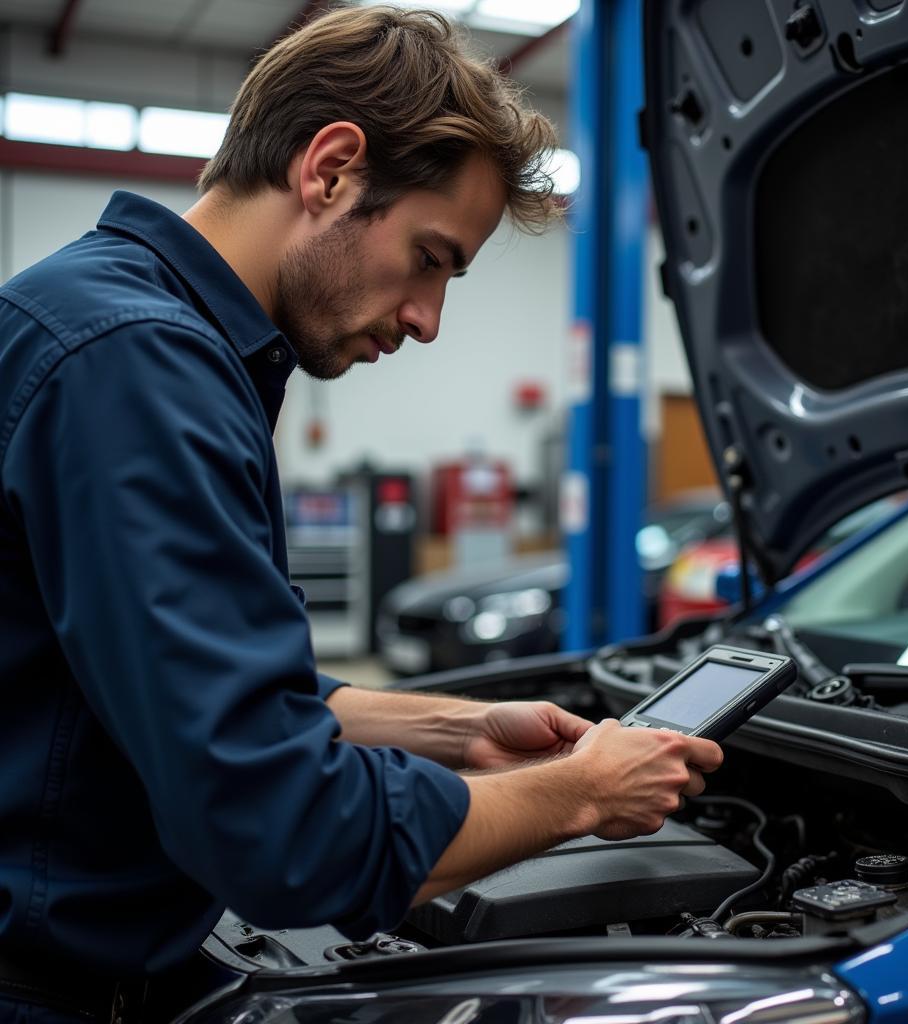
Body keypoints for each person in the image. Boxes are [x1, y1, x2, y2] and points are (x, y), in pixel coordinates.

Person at [0, 5, 723, 1021]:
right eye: (431, 258)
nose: (427, 320)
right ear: (330, 169)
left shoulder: (121, 330)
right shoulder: (136, 369)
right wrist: (582, 793)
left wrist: (460, 728)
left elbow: (201, 693)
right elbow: (282, 834)